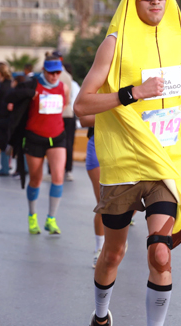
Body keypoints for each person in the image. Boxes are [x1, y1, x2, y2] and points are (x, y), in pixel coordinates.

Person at [73, 0, 181, 326]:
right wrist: (130, 93)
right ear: (133, 0)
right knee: (114, 253)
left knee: (160, 253)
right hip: (122, 165)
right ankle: (101, 315)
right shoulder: (114, 45)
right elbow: (82, 105)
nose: (156, 1)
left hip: (163, 165)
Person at [9, 55, 70, 235]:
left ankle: (51, 218)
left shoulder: (63, 87)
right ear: (44, 70)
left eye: (58, 72)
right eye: (51, 73)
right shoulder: (32, 84)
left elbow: (64, 106)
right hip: (35, 137)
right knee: (36, 178)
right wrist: (29, 94)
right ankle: (32, 215)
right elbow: (11, 97)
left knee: (58, 177)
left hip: (57, 136)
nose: (54, 76)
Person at [79, 115, 105, 268]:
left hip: (126, 145)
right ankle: (99, 248)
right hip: (99, 143)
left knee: (133, 203)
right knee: (104, 203)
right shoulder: (97, 90)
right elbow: (84, 119)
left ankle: (118, 235)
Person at [53, 52, 77, 182]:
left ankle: (54, 170)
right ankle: (68, 170)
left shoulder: (54, 75)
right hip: (68, 113)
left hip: (58, 114)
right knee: (68, 143)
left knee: (54, 143)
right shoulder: (68, 75)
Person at [0, 62, 14, 176]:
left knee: (3, 142)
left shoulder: (5, 87)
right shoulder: (9, 84)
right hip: (5, 119)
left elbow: (3, 104)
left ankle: (5, 167)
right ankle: (6, 165)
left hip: (3, 119)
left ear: (0, 73)